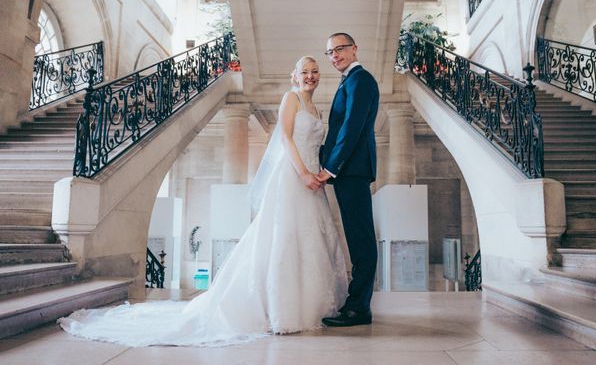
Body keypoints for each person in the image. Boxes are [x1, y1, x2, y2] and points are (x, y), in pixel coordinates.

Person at [58, 56, 348, 347]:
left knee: (308, 240)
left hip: (313, 182)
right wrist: (304, 173)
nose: (310, 76)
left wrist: (319, 175)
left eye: (314, 72)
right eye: (304, 72)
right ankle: (280, 310)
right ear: (294, 76)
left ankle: (310, 306)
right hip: (293, 177)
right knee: (282, 239)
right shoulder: (291, 99)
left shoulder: (317, 109)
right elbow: (285, 139)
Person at [317, 32, 380, 327]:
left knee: (361, 238)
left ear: (354, 49)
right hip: (349, 171)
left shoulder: (361, 80)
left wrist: (332, 167)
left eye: (340, 49)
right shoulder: (349, 81)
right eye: (329, 52)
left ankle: (359, 308)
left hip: (352, 170)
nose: (334, 56)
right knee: (356, 237)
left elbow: (352, 128)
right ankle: (356, 303)